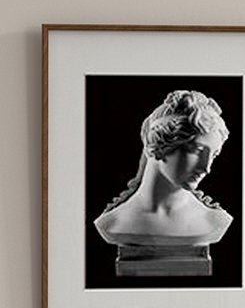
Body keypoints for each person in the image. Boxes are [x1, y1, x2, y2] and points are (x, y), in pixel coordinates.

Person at [94, 89, 233, 260]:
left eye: (213, 155)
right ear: (158, 146)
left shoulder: (214, 221)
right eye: (196, 150)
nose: (206, 168)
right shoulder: (113, 223)